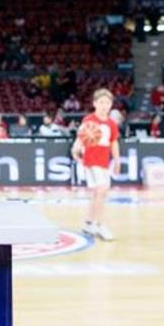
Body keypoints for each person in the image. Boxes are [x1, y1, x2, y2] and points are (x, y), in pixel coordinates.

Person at [71, 88, 120, 241]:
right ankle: (99, 224)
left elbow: (114, 142)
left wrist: (117, 160)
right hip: (91, 160)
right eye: (101, 102)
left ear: (111, 105)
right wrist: (75, 149)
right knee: (102, 189)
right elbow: (81, 137)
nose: (104, 105)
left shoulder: (112, 124)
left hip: (104, 161)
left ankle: (89, 223)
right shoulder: (89, 120)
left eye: (107, 103)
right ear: (95, 104)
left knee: (99, 193)